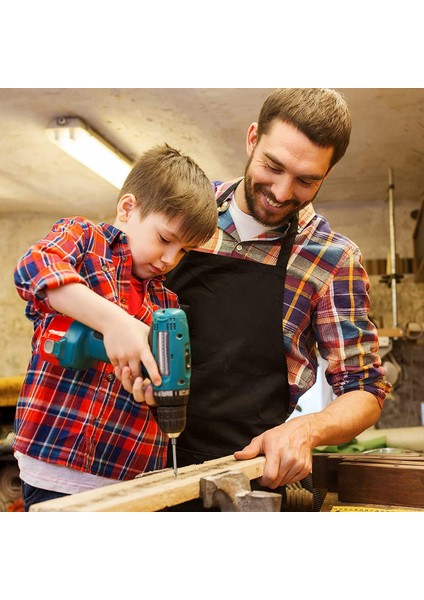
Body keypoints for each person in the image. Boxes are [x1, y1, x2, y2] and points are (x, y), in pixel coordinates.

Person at [155, 88, 390, 510]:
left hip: (243, 478)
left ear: (327, 174)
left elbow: (365, 389)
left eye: (306, 180)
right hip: (134, 464)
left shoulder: (334, 259)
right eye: (273, 166)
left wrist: (307, 431)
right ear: (251, 139)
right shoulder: (178, 210)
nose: (282, 192)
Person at [13, 143, 217, 511]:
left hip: (130, 474)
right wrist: (114, 322)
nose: (170, 259)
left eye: (184, 251)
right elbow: (33, 268)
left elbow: (159, 384)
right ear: (127, 209)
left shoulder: (167, 307)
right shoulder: (85, 240)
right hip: (53, 464)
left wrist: (153, 392)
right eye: (165, 239)